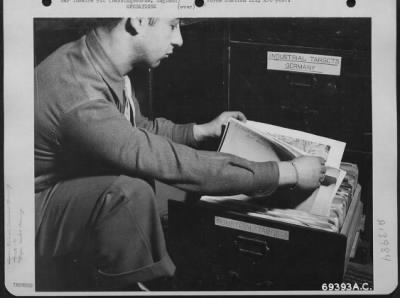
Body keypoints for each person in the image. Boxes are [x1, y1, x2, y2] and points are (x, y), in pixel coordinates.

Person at [34, 17, 326, 291]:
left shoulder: (96, 58)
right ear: (138, 19)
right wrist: (290, 172)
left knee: (175, 195)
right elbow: (166, 161)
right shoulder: (80, 95)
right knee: (131, 192)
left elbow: (137, 130)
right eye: (173, 25)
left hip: (60, 188)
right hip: (27, 212)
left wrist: (201, 131)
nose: (179, 40)